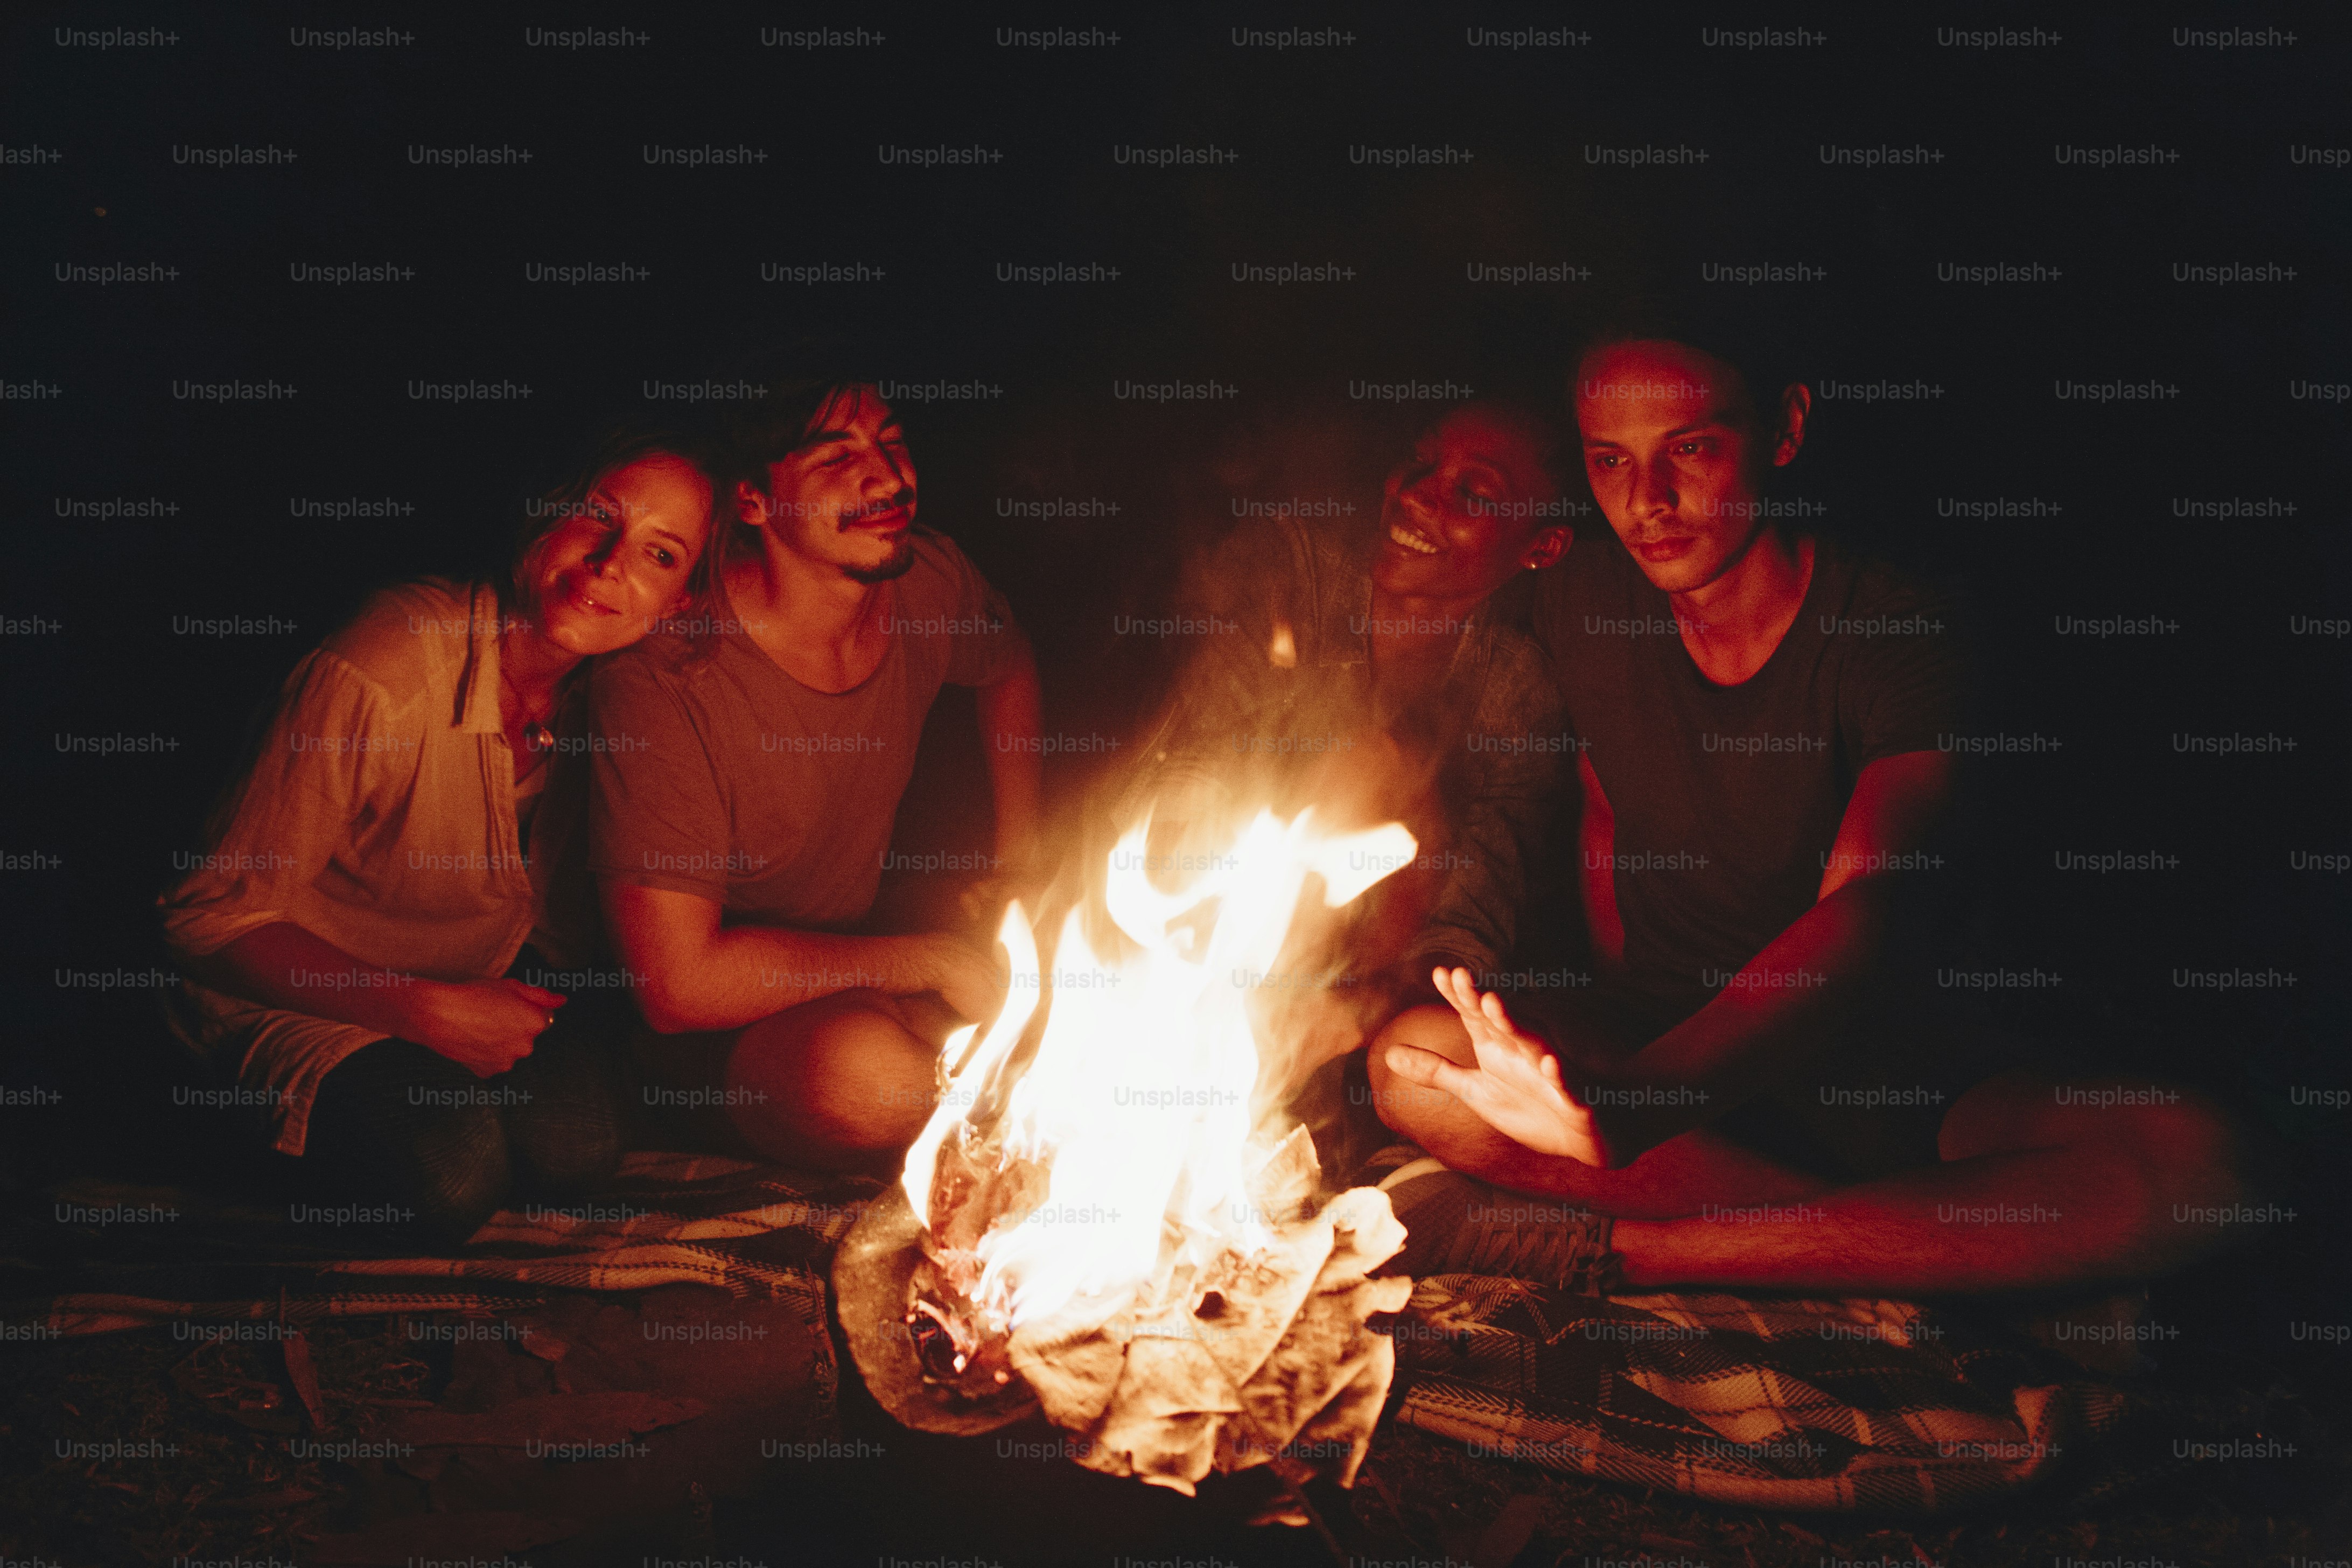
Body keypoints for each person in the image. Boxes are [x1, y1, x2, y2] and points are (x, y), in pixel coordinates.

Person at [1368, 305, 2266, 1297]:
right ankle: (1914, 1245)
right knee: (1412, 1059)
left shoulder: (1897, 626)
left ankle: (1643, 1255)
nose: (1649, 501)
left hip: (1898, 1068)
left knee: (2205, 1168)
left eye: (1692, 449)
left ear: (1786, 431)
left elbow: (1863, 909)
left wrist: (1644, 1102)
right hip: (1668, 1042)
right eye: (1610, 462)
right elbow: (1447, 603)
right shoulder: (1580, 587)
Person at [159, 427, 720, 1244]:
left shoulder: (626, 701)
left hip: (468, 986)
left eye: (659, 555)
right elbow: (200, 919)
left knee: (581, 1151)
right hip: (290, 989)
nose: (610, 563)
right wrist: (418, 1011)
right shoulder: (381, 665)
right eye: (594, 517)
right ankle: (192, 1129)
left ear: (680, 604)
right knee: (451, 1180)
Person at [590, 377, 1042, 1171]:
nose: (888, 479)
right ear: (755, 502)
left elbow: (1007, 665)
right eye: (837, 458)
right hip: (705, 1024)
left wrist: (1020, 860)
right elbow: (678, 988)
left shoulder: (927, 580)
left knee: (1091, 1010)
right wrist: (927, 960)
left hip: (861, 962)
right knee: (869, 1082)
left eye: (892, 445)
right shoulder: (666, 676)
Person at [1125, 399, 1572, 1133]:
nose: (1422, 494)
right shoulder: (1289, 572)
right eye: (1423, 464)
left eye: (1475, 494)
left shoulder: (1515, 691)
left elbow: (1471, 926)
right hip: (1175, 938)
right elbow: (1185, 773)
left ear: (1542, 546)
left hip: (1359, 1018)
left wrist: (1347, 1011)